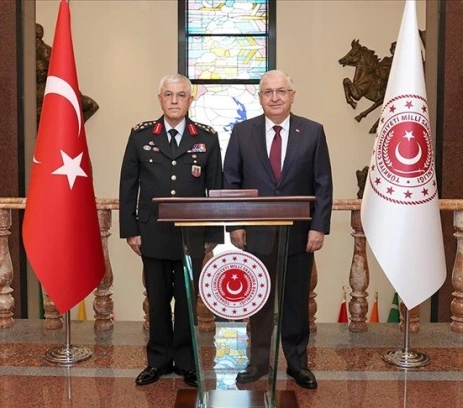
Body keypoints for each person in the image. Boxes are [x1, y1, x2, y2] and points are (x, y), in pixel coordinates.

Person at [223, 70, 333, 389]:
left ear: (292, 95)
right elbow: (231, 180)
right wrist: (235, 224)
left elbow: (323, 183)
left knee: (296, 303)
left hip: (299, 235)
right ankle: (258, 363)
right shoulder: (242, 132)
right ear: (260, 97)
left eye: (281, 91)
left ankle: (297, 364)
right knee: (258, 302)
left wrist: (318, 227)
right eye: (268, 92)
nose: (275, 97)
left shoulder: (312, 132)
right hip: (256, 235)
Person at [119, 74, 223, 388]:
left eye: (180, 95)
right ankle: (158, 361)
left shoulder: (206, 137)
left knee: (188, 301)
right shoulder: (140, 136)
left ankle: (187, 362)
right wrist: (131, 229)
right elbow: (128, 186)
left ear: (190, 99)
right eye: (168, 94)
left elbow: (215, 189)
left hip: (192, 235)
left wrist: (213, 235)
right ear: (160, 99)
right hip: (152, 232)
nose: (174, 100)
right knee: (157, 299)